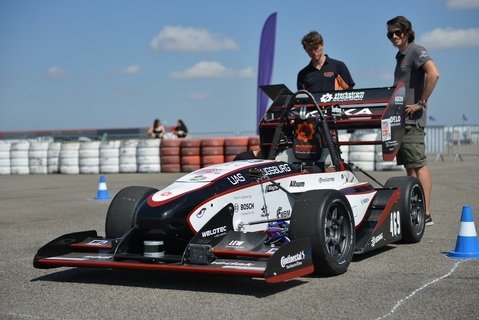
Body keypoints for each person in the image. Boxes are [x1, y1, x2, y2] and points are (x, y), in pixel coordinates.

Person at [387, 16, 440, 226]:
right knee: (409, 166)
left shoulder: (416, 50)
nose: (393, 37)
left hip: (413, 121)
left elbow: (434, 74)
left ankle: (426, 212)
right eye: (390, 34)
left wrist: (421, 102)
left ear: (407, 32)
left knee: (419, 164)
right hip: (400, 120)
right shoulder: (399, 57)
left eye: (397, 33)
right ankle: (413, 208)